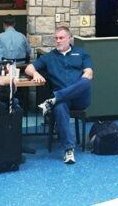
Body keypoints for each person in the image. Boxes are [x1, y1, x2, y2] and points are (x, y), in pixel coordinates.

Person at [26, 26, 93, 165]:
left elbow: (89, 73)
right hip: (64, 102)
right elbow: (28, 68)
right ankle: (69, 150)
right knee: (60, 106)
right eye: (56, 38)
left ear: (70, 38)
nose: (58, 41)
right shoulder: (49, 57)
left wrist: (82, 80)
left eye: (61, 38)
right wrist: (36, 73)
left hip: (80, 98)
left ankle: (55, 98)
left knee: (86, 81)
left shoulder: (81, 54)